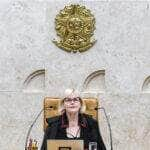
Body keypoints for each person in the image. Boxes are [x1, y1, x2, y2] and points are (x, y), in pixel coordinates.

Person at [41, 89, 106, 150]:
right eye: (68, 100)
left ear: (80, 103)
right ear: (63, 104)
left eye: (75, 99)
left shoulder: (92, 124)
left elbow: (101, 148)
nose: (72, 102)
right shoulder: (53, 125)